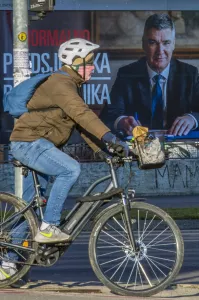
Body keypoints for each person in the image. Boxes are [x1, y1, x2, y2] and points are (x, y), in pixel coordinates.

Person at [2, 38, 129, 280]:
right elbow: (83, 114)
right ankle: (49, 228)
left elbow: (80, 126)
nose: (93, 67)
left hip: (38, 144)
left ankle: (8, 262)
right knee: (70, 169)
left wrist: (103, 150)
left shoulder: (71, 85)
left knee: (29, 209)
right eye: (89, 63)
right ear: (75, 63)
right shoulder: (61, 83)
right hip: (28, 143)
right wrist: (111, 137)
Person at [100, 13, 199, 137]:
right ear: (143, 44)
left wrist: (192, 119)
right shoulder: (126, 74)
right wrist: (121, 122)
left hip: (178, 148)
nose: (160, 51)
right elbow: (107, 116)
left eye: (166, 43)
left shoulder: (189, 74)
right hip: (139, 148)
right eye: (153, 43)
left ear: (173, 44)